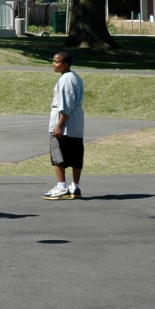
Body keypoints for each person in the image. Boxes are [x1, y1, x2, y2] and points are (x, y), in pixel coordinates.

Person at [43, 51, 85, 200]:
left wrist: (59, 125)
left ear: (65, 64)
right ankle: (75, 187)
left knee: (58, 154)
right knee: (75, 155)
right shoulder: (74, 77)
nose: (53, 64)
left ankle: (61, 186)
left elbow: (66, 105)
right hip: (75, 126)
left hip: (66, 125)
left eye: (56, 62)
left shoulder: (66, 79)